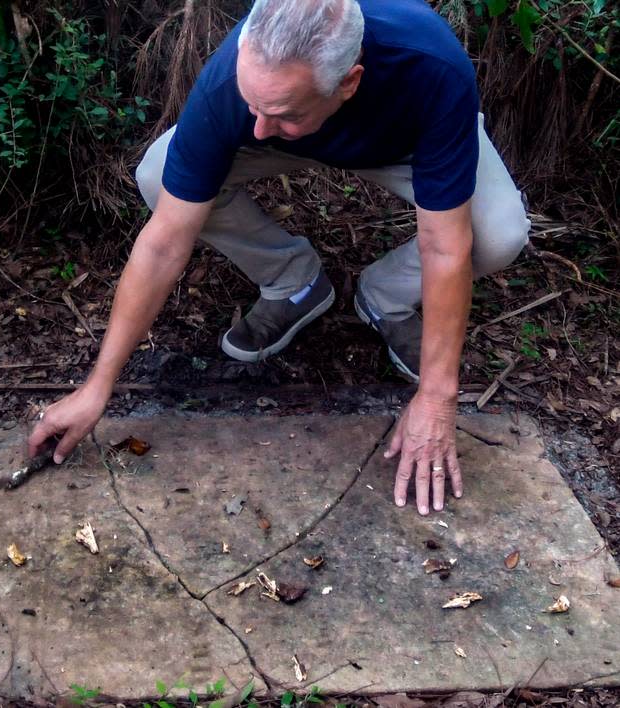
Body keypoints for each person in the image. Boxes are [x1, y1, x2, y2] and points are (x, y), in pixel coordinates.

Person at [27, 0, 530, 515]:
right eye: (253, 105)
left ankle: (387, 296)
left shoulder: (430, 67)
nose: (259, 127)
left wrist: (438, 399)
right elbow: (162, 244)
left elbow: (444, 246)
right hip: (300, 123)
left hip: (405, 143)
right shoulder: (240, 80)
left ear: (350, 82)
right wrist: (98, 386)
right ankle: (294, 281)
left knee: (498, 234)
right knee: (160, 178)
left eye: (282, 111)